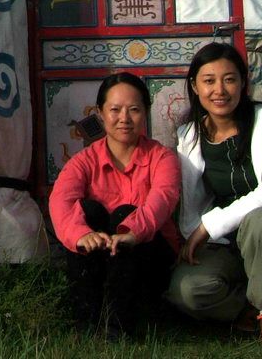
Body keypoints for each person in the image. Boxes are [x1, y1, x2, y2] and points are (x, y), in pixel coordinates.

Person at [165, 42, 262, 343]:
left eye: (229, 79)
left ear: (243, 82)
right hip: (224, 245)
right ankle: (247, 308)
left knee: (260, 219)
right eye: (209, 81)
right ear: (195, 86)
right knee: (185, 293)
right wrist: (194, 233)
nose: (219, 90)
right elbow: (191, 204)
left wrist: (209, 226)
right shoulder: (189, 135)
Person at [49, 72, 181, 339]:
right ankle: (87, 319)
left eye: (134, 109)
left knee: (124, 213)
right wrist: (82, 234)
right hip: (99, 261)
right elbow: (60, 201)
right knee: (87, 213)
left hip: (149, 256)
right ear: (100, 112)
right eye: (115, 110)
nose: (124, 118)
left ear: (145, 112)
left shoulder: (162, 158)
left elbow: (162, 201)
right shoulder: (84, 160)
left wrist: (130, 232)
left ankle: (120, 326)